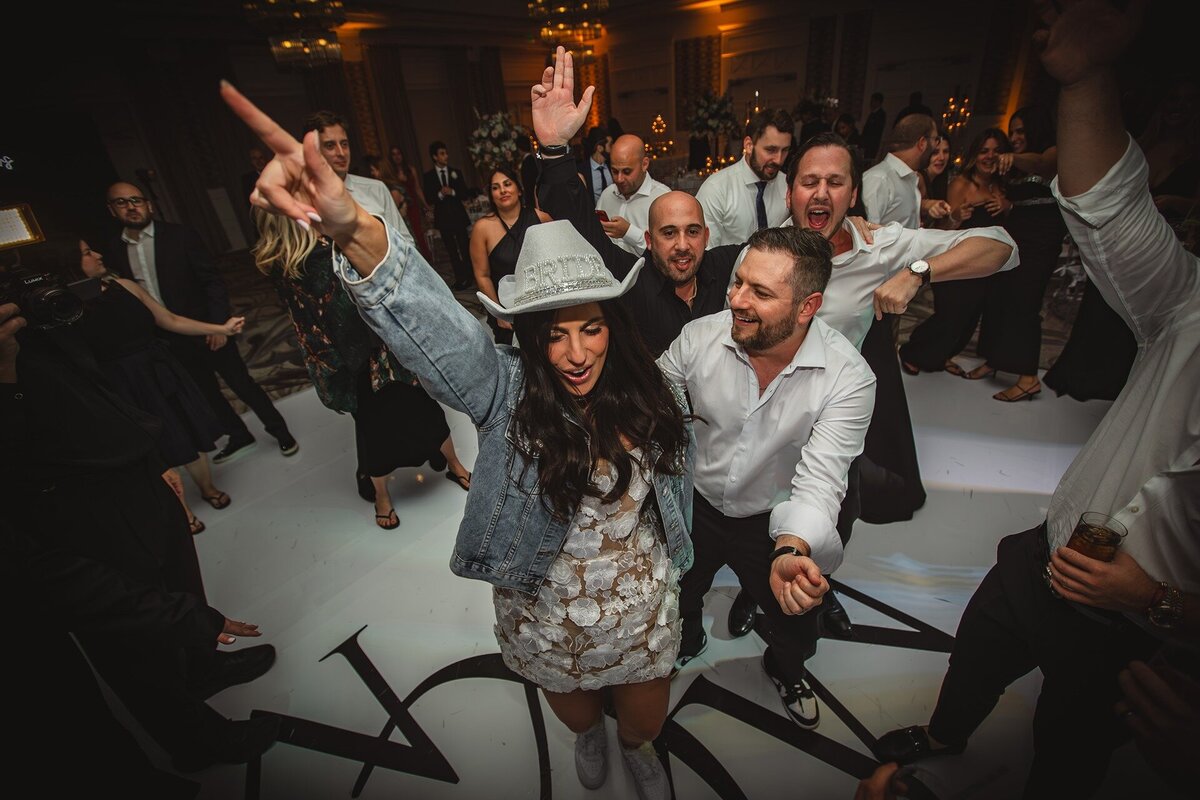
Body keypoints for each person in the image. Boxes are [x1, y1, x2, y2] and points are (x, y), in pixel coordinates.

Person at [222, 62, 697, 799]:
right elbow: (432, 324)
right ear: (528, 337)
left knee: (646, 723)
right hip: (547, 612)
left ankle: (634, 748)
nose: (575, 353)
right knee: (579, 721)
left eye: (591, 329)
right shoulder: (505, 391)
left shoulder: (654, 393)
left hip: (640, 609)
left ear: (614, 327)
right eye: (554, 334)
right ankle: (593, 741)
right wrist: (353, 231)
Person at [875, 4, 1199, 797]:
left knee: (1068, 752)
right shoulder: (1190, 312)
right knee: (975, 657)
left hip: (1146, 639)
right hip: (1046, 554)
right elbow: (1112, 212)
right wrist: (1086, 78)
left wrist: (1157, 602)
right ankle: (947, 734)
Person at [0, 296, 278, 772]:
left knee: (175, 571)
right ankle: (197, 740)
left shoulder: (39, 328)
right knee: (131, 632)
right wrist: (7, 380)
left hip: (122, 470)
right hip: (63, 504)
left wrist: (151, 458)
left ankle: (200, 665)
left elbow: (90, 383)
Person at [252, 208, 471, 528]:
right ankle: (383, 496)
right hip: (355, 357)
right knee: (375, 429)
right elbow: (315, 318)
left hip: (385, 343)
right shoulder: (298, 265)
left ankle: (454, 464)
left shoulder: (326, 243)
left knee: (424, 408)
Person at [21, 237, 244, 532]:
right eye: (88, 253)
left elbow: (170, 320)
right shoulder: (60, 311)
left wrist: (222, 328)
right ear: (69, 264)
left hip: (158, 369)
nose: (98, 255)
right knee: (153, 444)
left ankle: (207, 488)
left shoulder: (125, 286)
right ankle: (183, 511)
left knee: (188, 427)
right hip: (118, 382)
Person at [105, 180, 298, 464]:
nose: (131, 207)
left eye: (136, 200)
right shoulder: (113, 250)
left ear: (149, 205)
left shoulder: (180, 236)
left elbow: (212, 282)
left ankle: (281, 432)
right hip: (168, 338)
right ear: (112, 210)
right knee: (204, 391)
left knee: (242, 384)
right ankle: (239, 434)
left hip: (209, 328)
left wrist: (218, 326)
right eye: (122, 202)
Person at [964, 106, 1069, 402]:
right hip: (1013, 237)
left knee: (1024, 304)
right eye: (1013, 132)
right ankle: (995, 359)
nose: (1015, 137)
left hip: (1039, 242)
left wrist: (1014, 158)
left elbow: (1043, 164)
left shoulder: (1051, 154)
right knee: (998, 299)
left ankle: (1027, 377)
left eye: (1021, 131)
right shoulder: (1012, 166)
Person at [898, 129, 1015, 377]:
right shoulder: (961, 184)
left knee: (970, 317)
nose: (990, 156)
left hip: (982, 263)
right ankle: (914, 352)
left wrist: (1007, 206)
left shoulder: (1002, 187)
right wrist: (956, 216)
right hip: (956, 260)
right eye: (984, 151)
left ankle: (941, 357)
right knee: (950, 315)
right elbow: (943, 230)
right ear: (975, 154)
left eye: (995, 151)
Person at [469, 165, 551, 345]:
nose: (502, 191)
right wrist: (499, 312)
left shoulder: (541, 218)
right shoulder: (482, 228)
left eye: (507, 184)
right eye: (495, 187)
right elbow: (482, 275)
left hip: (544, 304)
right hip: (507, 310)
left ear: (519, 189)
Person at [301, 111, 410, 241]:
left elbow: (405, 241)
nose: (341, 153)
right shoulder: (303, 199)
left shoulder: (376, 189)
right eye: (330, 145)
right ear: (313, 150)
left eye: (344, 144)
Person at [696, 108, 794, 247]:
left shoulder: (788, 187)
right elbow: (706, 252)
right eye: (770, 150)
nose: (778, 160)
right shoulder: (716, 189)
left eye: (785, 150)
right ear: (748, 145)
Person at [861, 114, 947, 228]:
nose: (936, 146)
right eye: (936, 140)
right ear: (922, 143)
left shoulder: (909, 177)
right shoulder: (879, 179)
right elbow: (866, 234)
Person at [596, 134, 671, 256]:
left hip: (646, 274)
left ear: (644, 164)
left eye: (627, 171)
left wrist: (628, 232)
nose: (619, 179)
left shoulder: (663, 198)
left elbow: (667, 251)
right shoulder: (607, 195)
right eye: (614, 171)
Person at [422, 139, 475, 290]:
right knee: (452, 251)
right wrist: (440, 194)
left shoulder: (455, 172)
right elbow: (428, 198)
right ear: (434, 157)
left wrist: (452, 192)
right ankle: (460, 278)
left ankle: (469, 276)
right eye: (442, 154)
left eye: (446, 153)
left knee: (465, 248)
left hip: (458, 217)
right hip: (444, 219)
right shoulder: (429, 176)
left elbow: (465, 194)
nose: (446, 156)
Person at [389, 144, 434, 260]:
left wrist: (425, 205)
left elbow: (418, 188)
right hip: (401, 208)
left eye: (398, 153)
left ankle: (426, 259)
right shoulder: (391, 173)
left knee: (419, 233)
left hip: (413, 206)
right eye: (394, 154)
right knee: (408, 234)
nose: (397, 157)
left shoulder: (410, 169)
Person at [578, 125, 613, 206]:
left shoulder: (613, 167)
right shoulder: (581, 171)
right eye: (610, 145)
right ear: (600, 148)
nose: (613, 147)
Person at [861, 92, 887, 166]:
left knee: (869, 160)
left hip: (872, 143)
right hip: (867, 142)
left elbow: (876, 131)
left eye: (873, 101)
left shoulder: (881, 114)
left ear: (878, 102)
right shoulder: (872, 114)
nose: (871, 103)